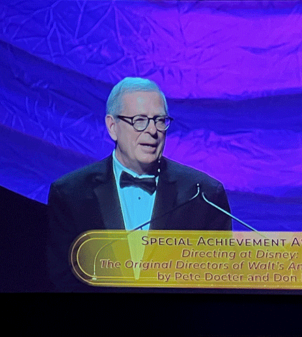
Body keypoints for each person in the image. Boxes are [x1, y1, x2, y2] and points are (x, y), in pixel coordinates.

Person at [47, 77, 232, 288]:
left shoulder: (204, 195)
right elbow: (63, 282)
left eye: (160, 120)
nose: (152, 131)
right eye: (140, 120)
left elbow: (215, 282)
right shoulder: (71, 194)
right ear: (112, 126)